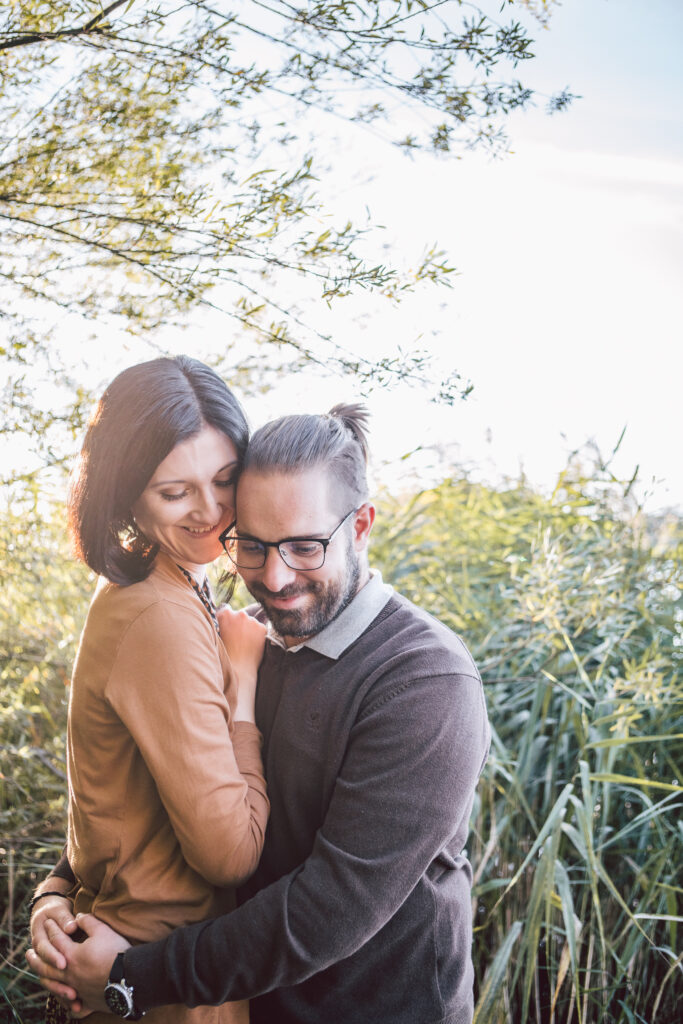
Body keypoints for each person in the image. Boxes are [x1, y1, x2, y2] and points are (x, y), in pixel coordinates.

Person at [29, 404, 490, 1024]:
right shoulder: (239, 640)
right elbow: (145, 796)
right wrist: (57, 890)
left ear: (360, 526)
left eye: (304, 546)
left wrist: (132, 978)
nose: (274, 578)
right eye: (251, 545)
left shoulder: (422, 681)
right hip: (247, 1006)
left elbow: (329, 909)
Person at [29, 356, 270, 1024]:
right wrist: (244, 685)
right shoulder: (157, 614)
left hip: (147, 961)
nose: (211, 512)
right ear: (127, 493)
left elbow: (113, 800)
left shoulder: (163, 585)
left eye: (225, 479)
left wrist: (54, 891)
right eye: (174, 492)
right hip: (153, 978)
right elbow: (229, 853)